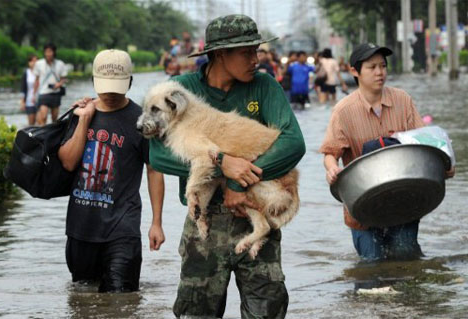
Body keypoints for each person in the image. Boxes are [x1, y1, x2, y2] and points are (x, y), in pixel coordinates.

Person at [149, 14, 305, 318]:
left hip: (255, 213)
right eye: (247, 52)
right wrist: (222, 164)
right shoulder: (181, 90)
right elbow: (157, 154)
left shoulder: (264, 87)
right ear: (220, 54)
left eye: (257, 50)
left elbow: (293, 144)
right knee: (196, 311)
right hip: (204, 219)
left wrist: (237, 183)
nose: (256, 59)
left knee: (267, 310)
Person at [319, 43, 455, 261]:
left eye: (382, 66)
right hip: (362, 205)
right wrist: (332, 168)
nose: (379, 72)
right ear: (355, 71)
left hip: (404, 199)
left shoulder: (402, 100)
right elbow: (330, 152)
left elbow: (424, 141)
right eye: (372, 67)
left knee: (406, 258)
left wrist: (445, 162)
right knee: (372, 265)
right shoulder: (343, 111)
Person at [58, 49, 165, 292]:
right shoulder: (80, 113)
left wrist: (156, 222)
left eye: (117, 86)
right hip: (81, 227)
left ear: (129, 82)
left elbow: (154, 170)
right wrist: (84, 119)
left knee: (121, 301)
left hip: (123, 227)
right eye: (105, 86)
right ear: (94, 81)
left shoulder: (142, 120)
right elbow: (68, 162)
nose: (110, 93)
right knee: (83, 300)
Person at [32, 43, 67, 125]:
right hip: (43, 93)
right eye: (46, 51)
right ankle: (43, 133)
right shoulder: (39, 64)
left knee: (54, 118)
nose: (48, 54)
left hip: (56, 93)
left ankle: (53, 134)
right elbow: (36, 80)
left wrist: (58, 84)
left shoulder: (60, 64)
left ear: (54, 52)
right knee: (43, 116)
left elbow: (64, 79)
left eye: (50, 51)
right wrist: (34, 94)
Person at [20, 54, 38, 126]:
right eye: (32, 61)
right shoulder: (26, 73)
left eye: (36, 61)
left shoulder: (41, 73)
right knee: (31, 123)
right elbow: (23, 88)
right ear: (29, 62)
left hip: (40, 100)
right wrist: (22, 101)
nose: (34, 63)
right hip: (29, 101)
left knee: (41, 121)